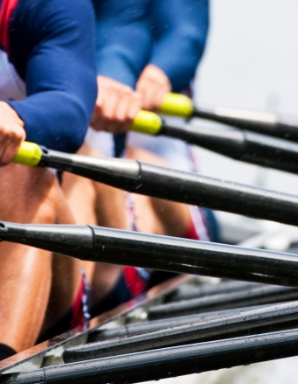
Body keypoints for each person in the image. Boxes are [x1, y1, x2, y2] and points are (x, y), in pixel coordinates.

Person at [0, 0, 98, 365]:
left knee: (26, 174)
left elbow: (71, 110)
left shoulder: (40, 8)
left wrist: (13, 113)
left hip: (16, 257)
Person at [63, 0, 213, 316]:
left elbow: (186, 35)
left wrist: (158, 75)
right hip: (89, 176)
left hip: (165, 187)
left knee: (128, 165)